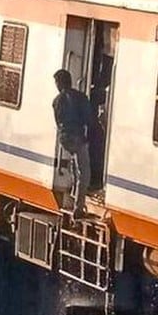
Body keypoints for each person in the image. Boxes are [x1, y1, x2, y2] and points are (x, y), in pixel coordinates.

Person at [52, 70, 94, 217]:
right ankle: (78, 207)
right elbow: (88, 119)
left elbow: (58, 121)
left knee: (75, 166)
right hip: (77, 137)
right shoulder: (81, 97)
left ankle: (74, 194)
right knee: (84, 173)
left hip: (65, 138)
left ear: (60, 83)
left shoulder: (57, 101)